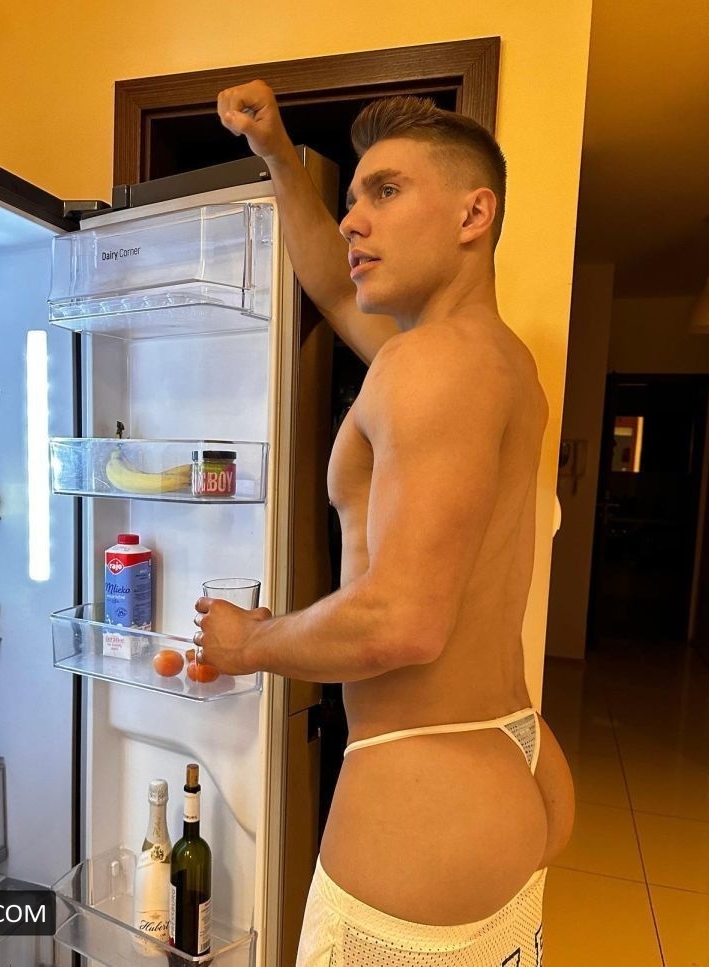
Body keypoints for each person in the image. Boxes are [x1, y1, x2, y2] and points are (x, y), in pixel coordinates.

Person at [194, 80, 575, 966]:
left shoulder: (428, 365)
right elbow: (334, 288)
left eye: (387, 191)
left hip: (423, 791)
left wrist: (252, 643)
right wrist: (278, 154)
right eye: (354, 196)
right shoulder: (497, 360)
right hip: (504, 757)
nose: (354, 220)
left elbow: (401, 621)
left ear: (474, 213)